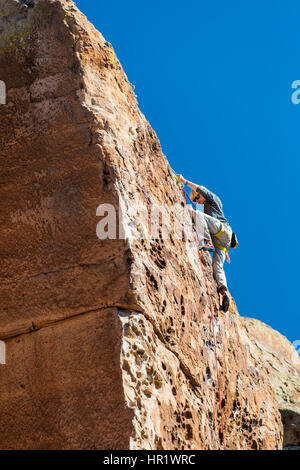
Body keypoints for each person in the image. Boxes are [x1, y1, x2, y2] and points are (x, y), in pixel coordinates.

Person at [177, 174, 232, 312]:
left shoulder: (212, 199)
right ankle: (224, 291)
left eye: (196, 198)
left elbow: (201, 189)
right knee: (217, 267)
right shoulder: (209, 207)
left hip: (222, 229)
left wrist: (184, 181)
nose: (197, 201)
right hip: (222, 240)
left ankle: (206, 242)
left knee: (198, 215)